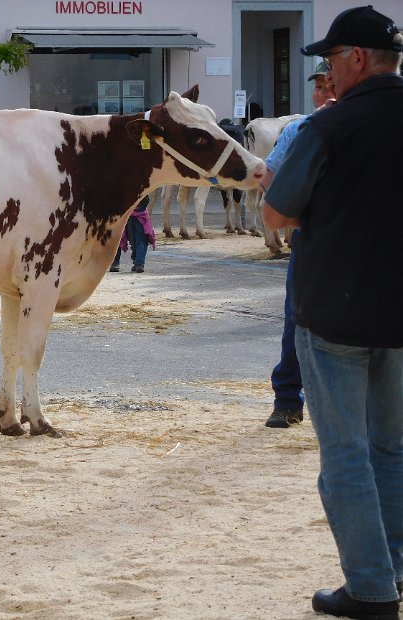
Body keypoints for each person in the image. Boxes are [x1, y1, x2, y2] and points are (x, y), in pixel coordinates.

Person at [262, 6, 403, 618]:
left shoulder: (330, 127)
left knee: (345, 456)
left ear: (358, 59)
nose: (327, 72)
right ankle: (394, 573)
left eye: (330, 60)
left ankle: (372, 589)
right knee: (393, 451)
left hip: (334, 310)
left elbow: (275, 213)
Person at [264, 61, 336, 428]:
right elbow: (269, 176)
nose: (324, 93)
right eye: (319, 86)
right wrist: (293, 217)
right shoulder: (298, 130)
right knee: (297, 317)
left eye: (330, 85)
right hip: (311, 240)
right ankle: (288, 398)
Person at [110, 194, 154, 273]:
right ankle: (139, 263)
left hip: (128, 215)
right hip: (138, 216)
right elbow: (146, 200)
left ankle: (116, 263)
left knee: (129, 240)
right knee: (140, 241)